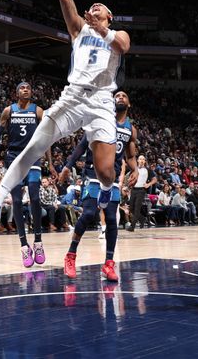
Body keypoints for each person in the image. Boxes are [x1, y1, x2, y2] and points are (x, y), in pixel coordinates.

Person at [0, 0, 132, 239]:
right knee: (31, 149)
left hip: (101, 101)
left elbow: (122, 47)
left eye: (101, 7)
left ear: (109, 16)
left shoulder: (118, 34)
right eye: (93, 6)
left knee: (104, 170)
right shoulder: (79, 29)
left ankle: (105, 191)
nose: (94, 7)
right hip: (72, 98)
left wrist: (101, 28)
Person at [58, 91, 138, 282]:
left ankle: (108, 263)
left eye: (123, 96)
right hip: (93, 173)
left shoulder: (131, 129)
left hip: (111, 178)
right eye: (116, 95)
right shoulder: (101, 119)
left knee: (111, 218)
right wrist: (68, 166)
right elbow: (82, 145)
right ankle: (70, 255)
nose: (119, 97)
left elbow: (130, 155)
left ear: (129, 104)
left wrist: (135, 170)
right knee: (87, 214)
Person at [0, 81, 55, 267]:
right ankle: (24, 246)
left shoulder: (38, 111)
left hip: (33, 157)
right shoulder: (8, 111)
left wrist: (50, 163)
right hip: (13, 158)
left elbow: (47, 138)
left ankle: (39, 242)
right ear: (17, 92)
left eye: (28, 88)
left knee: (34, 197)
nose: (26, 89)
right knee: (17, 201)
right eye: (22, 88)